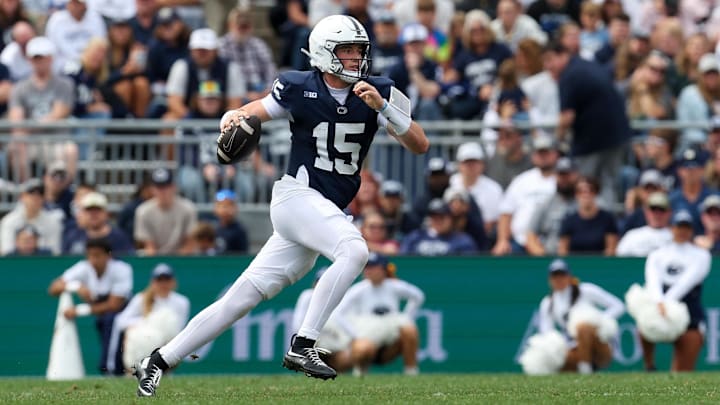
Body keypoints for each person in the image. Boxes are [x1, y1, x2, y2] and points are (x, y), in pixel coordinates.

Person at [134, 14, 429, 396]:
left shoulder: (380, 90)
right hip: (296, 198)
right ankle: (303, 344)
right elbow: (252, 111)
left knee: (240, 299)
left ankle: (157, 361)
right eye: (348, 50)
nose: (356, 58)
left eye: (360, 50)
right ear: (325, 53)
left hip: (326, 212)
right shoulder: (298, 86)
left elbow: (420, 144)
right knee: (355, 250)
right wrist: (232, 116)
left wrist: (384, 109)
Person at [545, 40, 631, 205]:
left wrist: (556, 142)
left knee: (585, 184)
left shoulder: (569, 75)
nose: (548, 66)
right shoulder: (586, 65)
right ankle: (608, 218)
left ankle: (587, 219)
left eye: (550, 60)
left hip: (592, 141)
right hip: (617, 135)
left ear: (563, 55)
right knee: (609, 184)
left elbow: (566, 117)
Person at [47, 237, 133, 374]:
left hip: (124, 314)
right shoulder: (83, 267)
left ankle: (111, 370)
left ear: (108, 255)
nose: (93, 260)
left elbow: (114, 305)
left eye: (98, 255)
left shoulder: (122, 269)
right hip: (102, 316)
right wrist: (76, 286)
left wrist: (80, 310)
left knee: (112, 322)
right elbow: (53, 288)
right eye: (90, 255)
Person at [640, 209, 711, 371]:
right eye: (679, 227)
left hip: (689, 312)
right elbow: (652, 280)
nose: (682, 232)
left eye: (686, 228)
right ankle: (649, 366)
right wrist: (658, 302)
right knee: (643, 326)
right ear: (672, 228)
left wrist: (666, 303)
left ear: (691, 230)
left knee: (682, 373)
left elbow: (687, 282)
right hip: (660, 307)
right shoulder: (657, 254)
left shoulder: (701, 255)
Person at [333, 253, 425, 376]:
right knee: (362, 349)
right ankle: (360, 374)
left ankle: (411, 371)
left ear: (383, 269)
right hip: (367, 332)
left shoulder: (394, 286)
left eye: (373, 267)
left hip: (391, 333)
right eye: (366, 267)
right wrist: (355, 335)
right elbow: (338, 313)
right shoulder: (358, 289)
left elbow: (418, 296)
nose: (368, 271)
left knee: (410, 330)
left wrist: (407, 317)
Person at [537, 259, 624, 374]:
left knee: (583, 328)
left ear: (569, 277)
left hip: (600, 346)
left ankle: (585, 370)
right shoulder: (547, 303)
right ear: (550, 280)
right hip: (573, 347)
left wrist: (597, 321)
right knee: (557, 360)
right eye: (555, 276)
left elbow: (618, 306)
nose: (559, 279)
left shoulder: (586, 290)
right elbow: (547, 333)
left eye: (562, 275)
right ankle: (581, 369)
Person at [107, 263, 190, 375]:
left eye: (167, 280)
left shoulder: (182, 302)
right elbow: (121, 321)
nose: (163, 284)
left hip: (167, 345)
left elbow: (178, 329)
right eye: (159, 280)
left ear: (173, 282)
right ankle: (134, 371)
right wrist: (146, 324)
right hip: (142, 343)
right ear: (153, 282)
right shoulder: (140, 299)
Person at [492, 134, 558, 255]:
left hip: (553, 243)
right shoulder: (522, 180)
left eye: (546, 153)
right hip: (520, 242)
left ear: (555, 154)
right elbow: (506, 213)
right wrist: (502, 240)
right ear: (533, 156)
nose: (543, 156)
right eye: (539, 153)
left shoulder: (563, 180)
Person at [134, 168, 198, 256]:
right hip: (155, 258)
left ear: (174, 187)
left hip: (183, 258)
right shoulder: (143, 211)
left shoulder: (188, 208)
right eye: (159, 187)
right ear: (152, 189)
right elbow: (149, 246)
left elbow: (189, 243)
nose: (163, 191)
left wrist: (176, 263)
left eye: (166, 186)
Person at [526, 156, 578, 256]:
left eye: (567, 175)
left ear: (576, 175)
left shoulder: (585, 202)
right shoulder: (546, 203)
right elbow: (530, 235)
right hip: (549, 255)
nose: (564, 179)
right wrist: (542, 256)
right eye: (561, 175)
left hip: (581, 257)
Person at [449, 141, 502, 234]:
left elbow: (493, 222)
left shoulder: (494, 189)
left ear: (482, 164)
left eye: (474, 162)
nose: (471, 166)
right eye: (467, 162)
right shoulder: (450, 183)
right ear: (459, 165)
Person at [558, 177, 619, 256]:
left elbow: (611, 249)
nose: (586, 194)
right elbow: (562, 250)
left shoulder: (607, 219)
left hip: (601, 265)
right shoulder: (568, 220)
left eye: (590, 190)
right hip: (574, 265)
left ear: (596, 193)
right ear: (576, 195)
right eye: (580, 191)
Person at [0, 178, 63, 255]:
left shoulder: (53, 222)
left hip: (43, 265)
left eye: (40, 194)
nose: (35, 198)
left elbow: (54, 253)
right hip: (15, 265)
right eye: (31, 194)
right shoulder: (9, 221)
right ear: (22, 196)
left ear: (44, 198)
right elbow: (6, 253)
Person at [62, 191, 135, 256]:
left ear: (106, 213)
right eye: (89, 210)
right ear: (82, 213)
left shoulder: (119, 238)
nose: (93, 214)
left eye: (98, 210)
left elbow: (129, 260)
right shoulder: (73, 236)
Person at [400, 198, 478, 255]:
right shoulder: (415, 237)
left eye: (441, 217)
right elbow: (403, 260)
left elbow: (467, 267)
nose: (437, 221)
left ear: (450, 219)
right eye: (434, 217)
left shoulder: (462, 240)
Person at [616, 192, 673, 257]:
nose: (657, 214)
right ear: (646, 212)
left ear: (669, 212)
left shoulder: (677, 237)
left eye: (662, 209)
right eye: (653, 209)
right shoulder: (631, 236)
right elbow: (620, 262)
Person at [210, 189, 249, 255]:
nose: (225, 209)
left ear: (235, 208)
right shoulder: (213, 229)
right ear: (215, 208)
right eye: (221, 205)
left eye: (229, 205)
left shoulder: (240, 231)